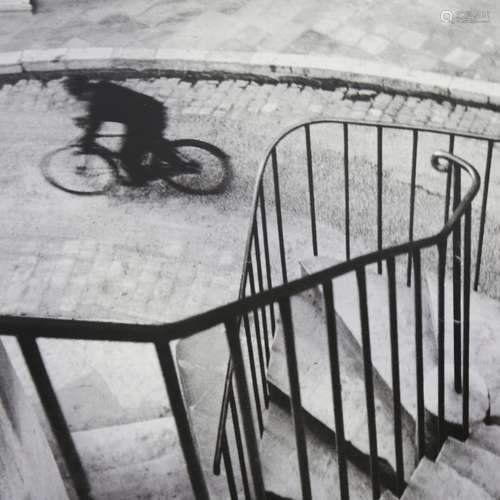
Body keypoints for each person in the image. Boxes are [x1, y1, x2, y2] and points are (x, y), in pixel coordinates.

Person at [64, 75, 168, 185]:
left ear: (84, 91)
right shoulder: (102, 89)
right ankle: (158, 165)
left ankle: (139, 180)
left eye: (80, 97)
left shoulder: (98, 100)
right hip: (147, 115)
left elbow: (95, 121)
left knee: (127, 155)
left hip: (148, 118)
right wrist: (87, 123)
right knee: (145, 146)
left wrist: (87, 140)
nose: (82, 100)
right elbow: (98, 116)